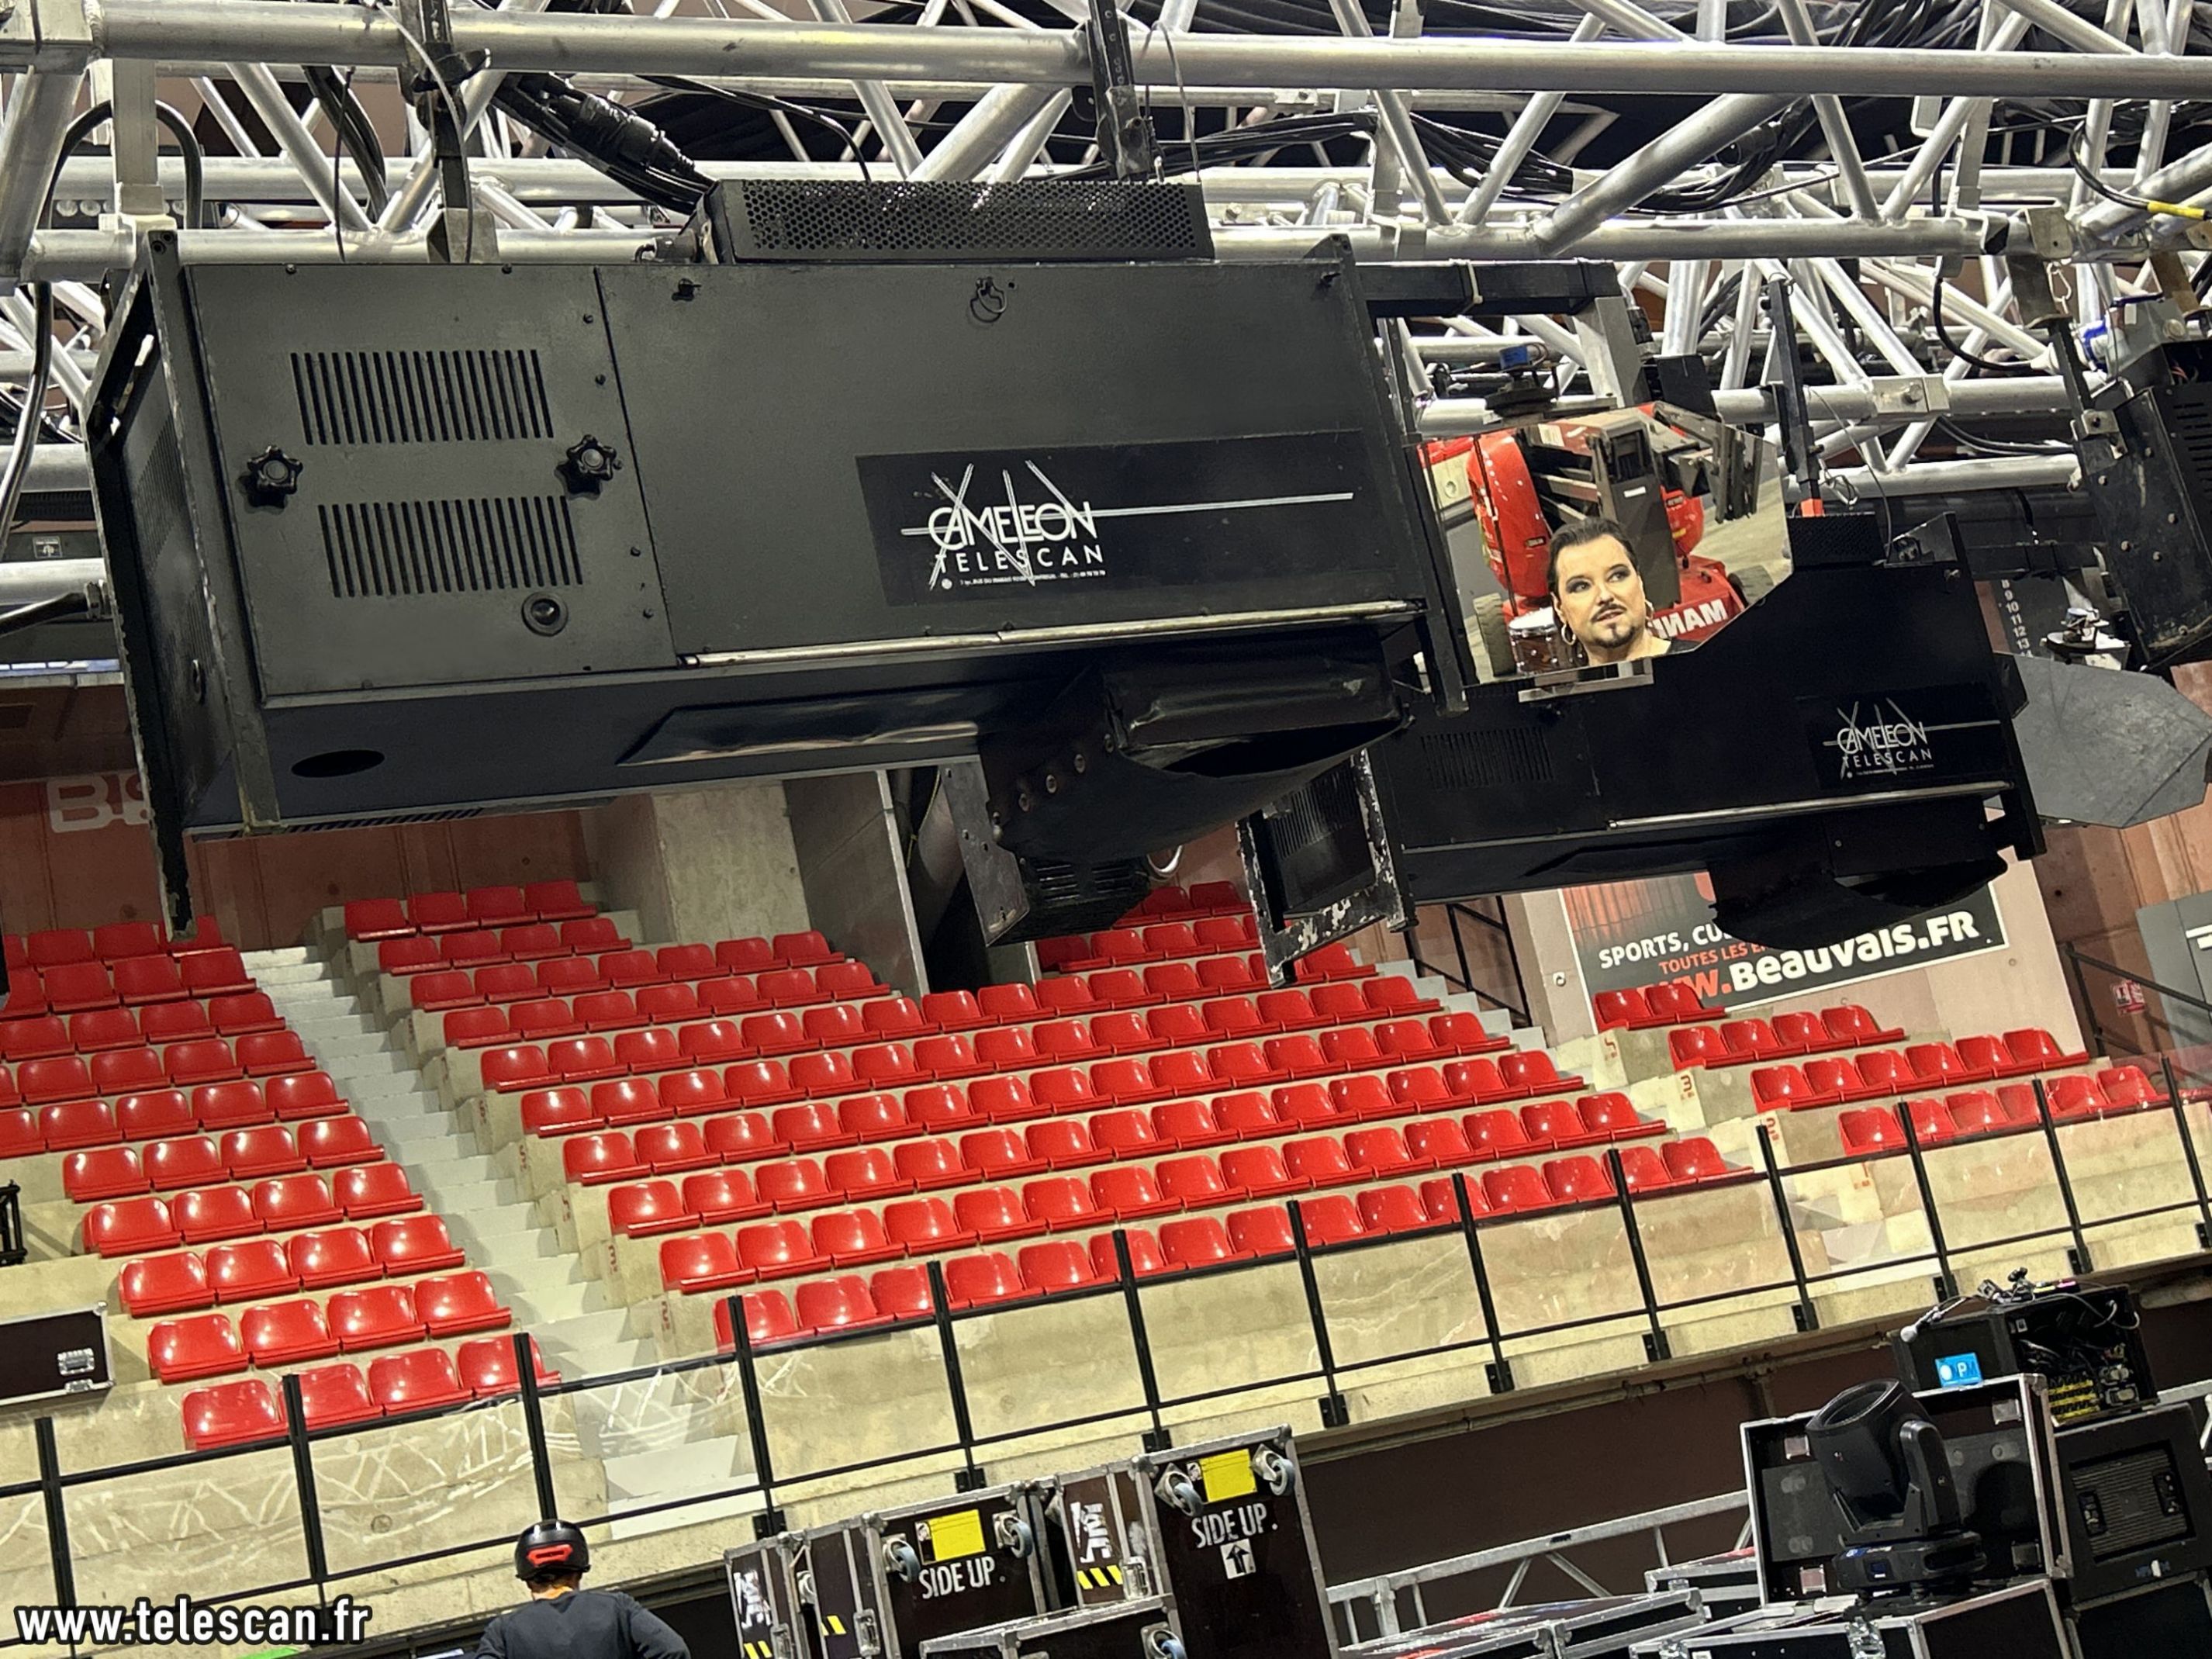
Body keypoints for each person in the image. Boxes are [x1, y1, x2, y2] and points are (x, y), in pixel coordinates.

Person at [476, 1520, 691, 1659]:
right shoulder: (617, 1608)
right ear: (578, 1573)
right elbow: (674, 1651)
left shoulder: (503, 1631)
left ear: (528, 1581)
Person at [1547, 517, 1672, 665]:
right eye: (1581, 586)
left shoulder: (1696, 666)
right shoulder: (1564, 682)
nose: (1605, 596)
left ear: (1640, 582)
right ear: (1559, 607)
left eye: (1617, 576)